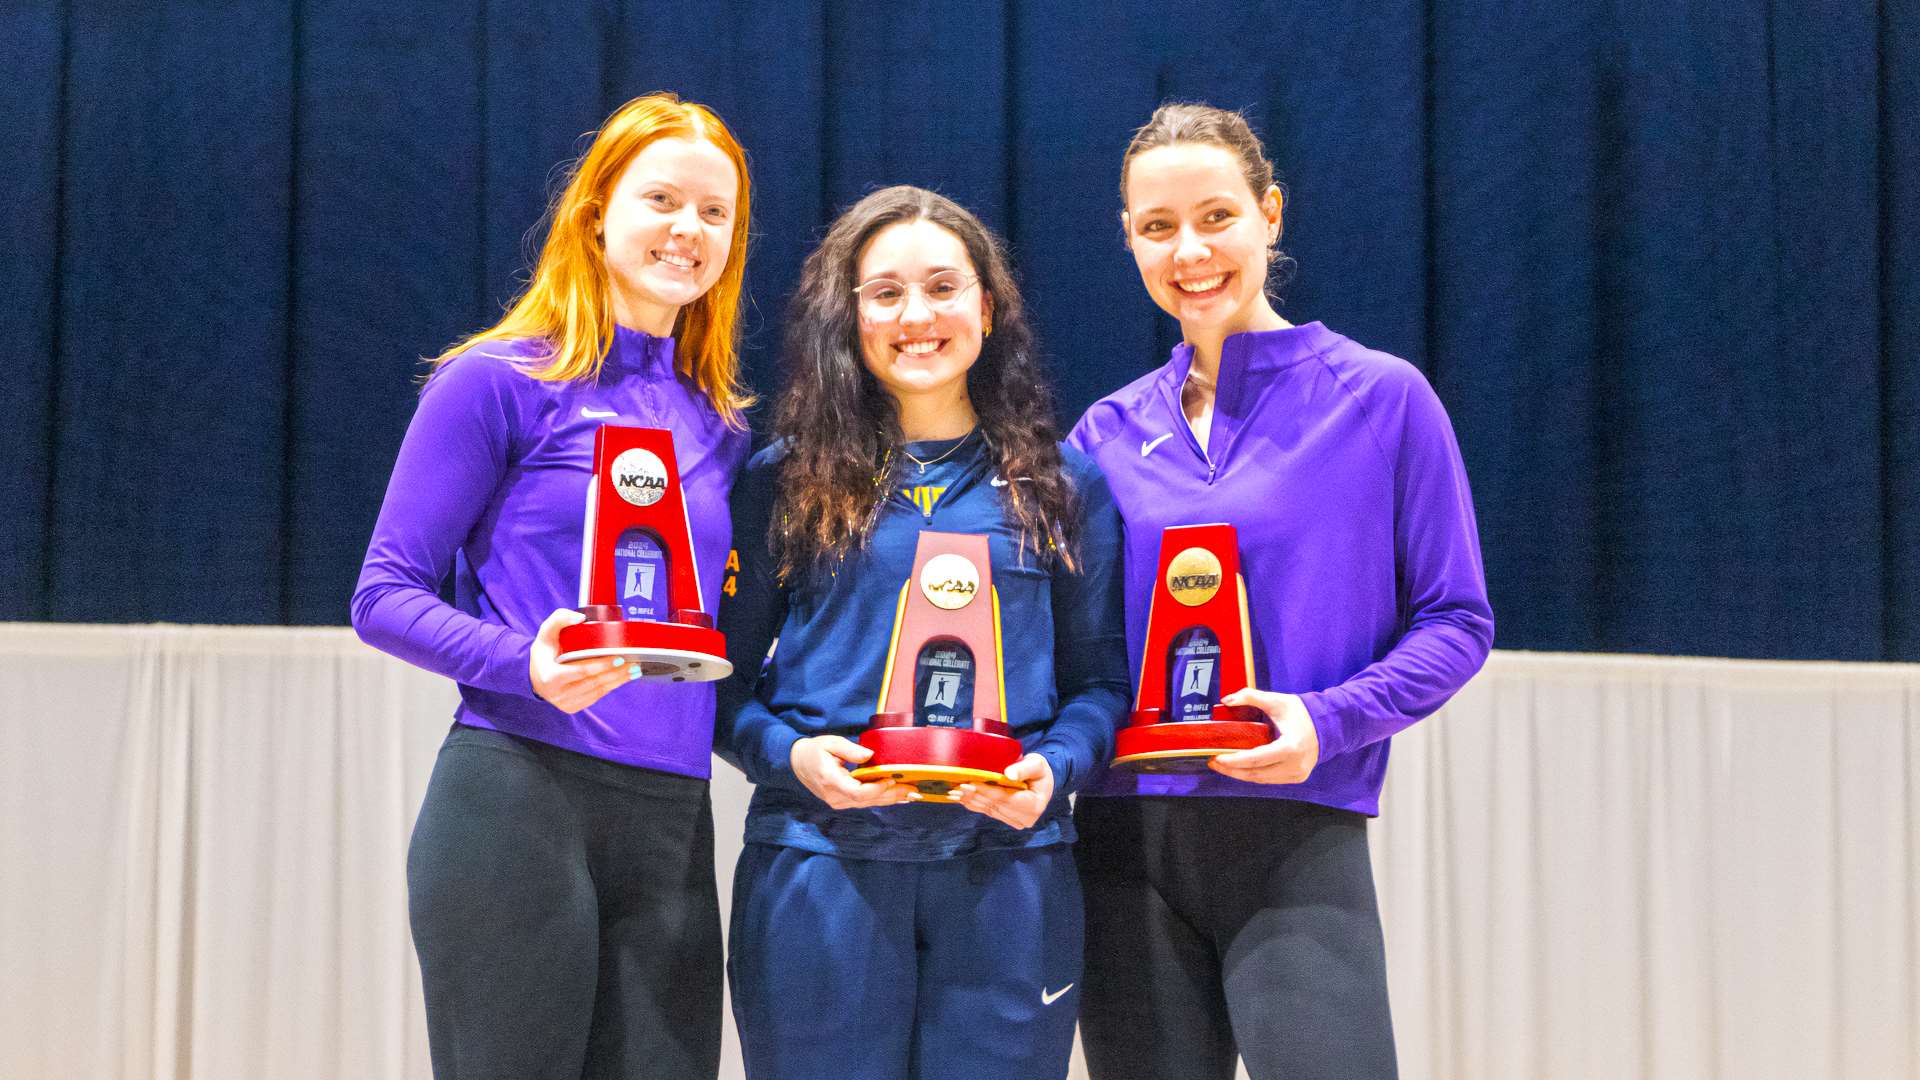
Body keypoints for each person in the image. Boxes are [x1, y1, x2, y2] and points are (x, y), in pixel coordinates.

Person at [1067, 103, 1496, 1080]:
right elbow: (1063, 643)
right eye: (1158, 227)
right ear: (1129, 238)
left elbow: (1458, 620)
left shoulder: (1383, 401)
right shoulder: (1100, 434)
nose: (1191, 251)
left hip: (1296, 834)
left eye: (1217, 217)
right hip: (1121, 839)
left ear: (1271, 215)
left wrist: (1326, 720)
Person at [350, 92, 753, 1080]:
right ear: (595, 211)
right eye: (662, 198)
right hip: (517, 801)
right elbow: (383, 593)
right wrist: (523, 662)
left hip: (671, 822)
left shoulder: (724, 427)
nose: (687, 229)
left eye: (714, 213)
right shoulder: (495, 381)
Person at [716, 185, 1129, 1080]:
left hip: (1011, 867)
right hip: (820, 864)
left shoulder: (1065, 485)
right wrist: (793, 761)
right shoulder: (779, 483)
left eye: (944, 288)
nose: (918, 316)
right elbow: (722, 683)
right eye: (886, 292)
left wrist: (1050, 773)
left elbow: (1101, 686)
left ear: (987, 307)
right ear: (849, 315)